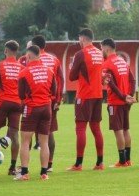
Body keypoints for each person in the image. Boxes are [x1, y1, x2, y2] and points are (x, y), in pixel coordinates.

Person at [15, 45, 57, 181]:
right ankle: (44, 173)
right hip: (46, 107)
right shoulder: (50, 71)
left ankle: (25, 173)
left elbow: (21, 94)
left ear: (28, 56)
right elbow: (54, 91)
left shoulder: (24, 73)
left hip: (32, 107)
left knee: (25, 141)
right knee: (44, 141)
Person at [67, 28, 105, 171]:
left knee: (81, 128)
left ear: (82, 38)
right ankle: (100, 162)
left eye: (79, 39)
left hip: (84, 95)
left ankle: (78, 163)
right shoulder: (99, 53)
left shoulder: (80, 54)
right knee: (96, 128)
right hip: (98, 95)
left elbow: (71, 76)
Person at [0, 41, 23, 176]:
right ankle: (12, 167)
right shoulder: (21, 67)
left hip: (3, 102)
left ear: (5, 50)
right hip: (17, 103)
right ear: (17, 51)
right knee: (14, 135)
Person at [30, 35, 65, 172]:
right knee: (49, 132)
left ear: (34, 46)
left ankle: (24, 166)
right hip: (50, 101)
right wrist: (57, 99)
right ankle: (49, 164)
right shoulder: (54, 60)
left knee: (27, 132)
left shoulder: (31, 59)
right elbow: (60, 80)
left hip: (33, 100)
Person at [101, 39, 136, 167]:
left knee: (118, 130)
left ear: (106, 49)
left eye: (101, 49)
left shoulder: (107, 64)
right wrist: (130, 96)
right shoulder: (122, 61)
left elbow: (111, 84)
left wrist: (123, 97)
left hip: (116, 102)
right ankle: (128, 160)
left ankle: (122, 161)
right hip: (126, 102)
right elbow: (132, 79)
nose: (101, 52)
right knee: (126, 129)